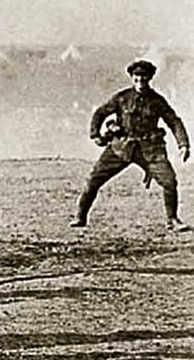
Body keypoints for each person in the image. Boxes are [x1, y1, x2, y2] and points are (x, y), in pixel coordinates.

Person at [70, 59, 191, 231]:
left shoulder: (157, 100)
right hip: (121, 147)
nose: (140, 80)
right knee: (93, 179)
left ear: (150, 78)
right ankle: (80, 217)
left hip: (150, 150)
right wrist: (95, 135)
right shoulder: (122, 98)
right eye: (137, 76)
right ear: (132, 78)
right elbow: (100, 112)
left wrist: (183, 145)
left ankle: (172, 219)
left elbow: (174, 121)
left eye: (144, 76)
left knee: (169, 182)